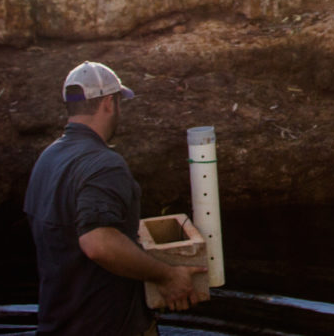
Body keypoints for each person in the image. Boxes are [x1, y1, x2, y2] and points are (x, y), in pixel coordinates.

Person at [24, 61, 205, 335]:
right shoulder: (104, 164)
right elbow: (98, 243)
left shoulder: (47, 160)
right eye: (119, 102)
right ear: (109, 103)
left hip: (56, 326)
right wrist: (167, 275)